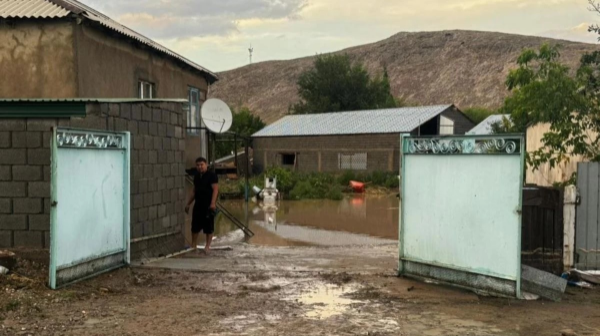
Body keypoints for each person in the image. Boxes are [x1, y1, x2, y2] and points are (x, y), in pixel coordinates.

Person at [185, 157, 219, 254]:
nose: (200, 167)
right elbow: (194, 191)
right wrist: (188, 203)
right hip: (198, 204)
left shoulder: (212, 175)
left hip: (208, 205)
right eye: (198, 165)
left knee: (209, 227)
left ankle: (207, 246)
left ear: (206, 165)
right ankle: (193, 245)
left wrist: (213, 203)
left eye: (201, 165)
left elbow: (215, 189)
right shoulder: (196, 177)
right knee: (194, 226)